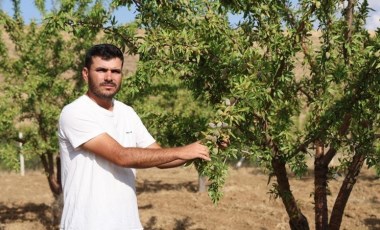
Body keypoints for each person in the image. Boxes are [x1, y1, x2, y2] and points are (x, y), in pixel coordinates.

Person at [58, 43, 210, 230]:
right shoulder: (75, 112)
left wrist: (202, 148)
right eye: (101, 70)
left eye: (115, 71)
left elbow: (160, 158)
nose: (109, 77)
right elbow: (121, 156)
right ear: (85, 73)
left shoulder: (127, 112)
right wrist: (183, 151)